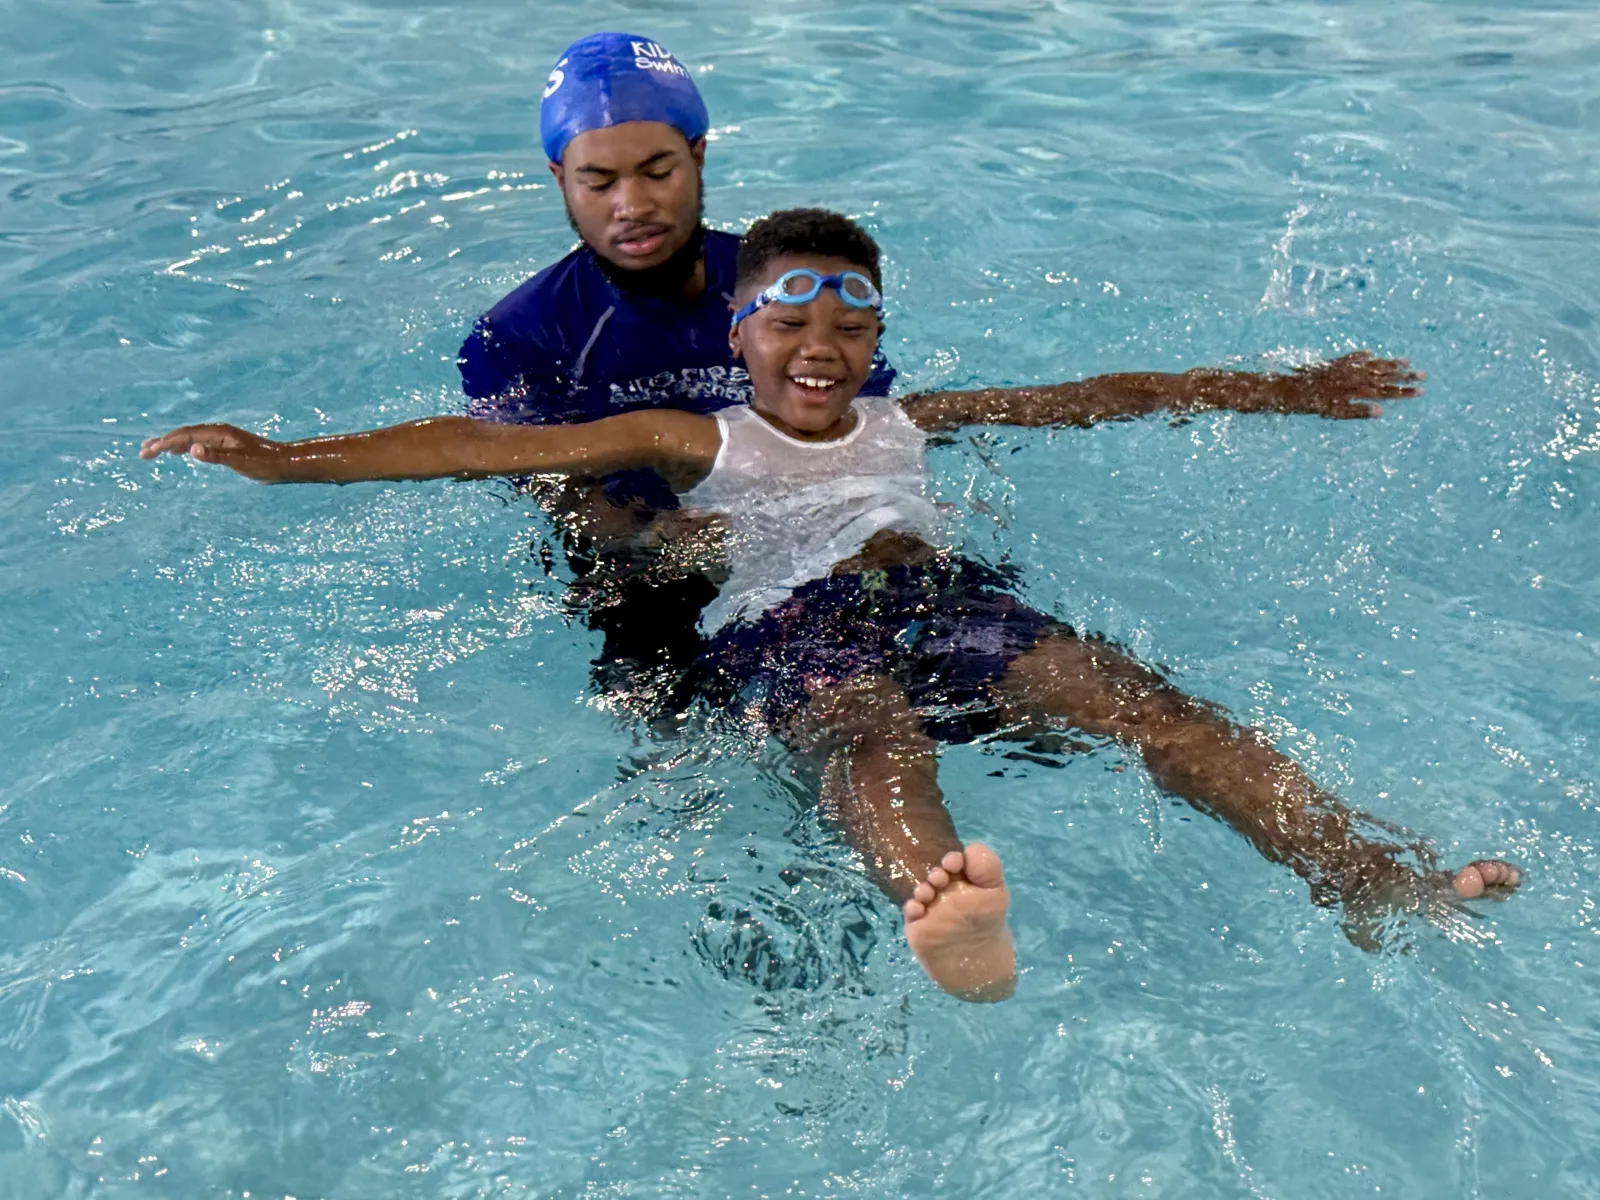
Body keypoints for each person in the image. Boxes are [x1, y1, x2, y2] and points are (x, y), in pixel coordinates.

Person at [140, 209, 1519, 1002]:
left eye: (849, 328)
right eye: (790, 329)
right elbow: (482, 446)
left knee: (1144, 704)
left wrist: (1280, 386)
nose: (822, 352)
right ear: (739, 340)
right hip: (791, 636)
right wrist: (280, 459)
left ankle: (1374, 879)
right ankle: (943, 908)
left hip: (951, 605)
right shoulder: (698, 435)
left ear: (875, 337)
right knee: (871, 745)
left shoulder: (910, 419)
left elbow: (1108, 394)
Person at [460, 32, 1424, 709]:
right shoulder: (517, 338)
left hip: (835, 550)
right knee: (674, 744)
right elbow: (552, 490)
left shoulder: (790, 291)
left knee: (1040, 685)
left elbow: (880, 430)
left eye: (658, 170)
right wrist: (658, 540)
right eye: (598, 180)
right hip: (664, 571)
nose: (632, 203)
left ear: (699, 154)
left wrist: (1270, 390)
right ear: (559, 181)